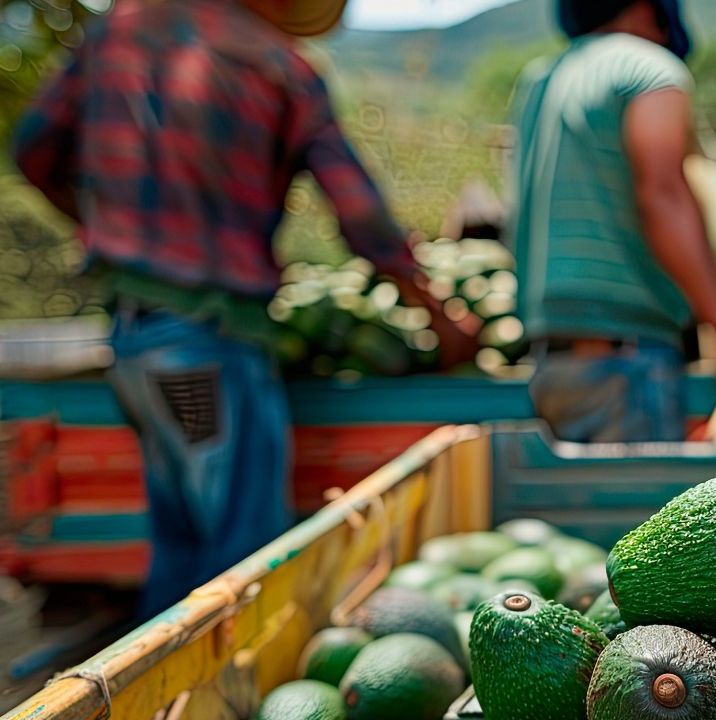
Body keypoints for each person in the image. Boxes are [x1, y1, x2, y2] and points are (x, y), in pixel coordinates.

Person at [12, 0, 473, 615]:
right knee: (241, 559)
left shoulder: (117, 31)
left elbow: (32, 151)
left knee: (182, 545)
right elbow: (361, 216)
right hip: (209, 346)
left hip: (134, 340)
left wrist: (108, 231)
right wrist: (438, 315)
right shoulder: (279, 67)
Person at [510, 0, 716, 443]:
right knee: (641, 514)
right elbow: (662, 196)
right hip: (627, 359)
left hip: (551, 361)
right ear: (649, 10)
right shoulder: (649, 69)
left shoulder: (540, 81)